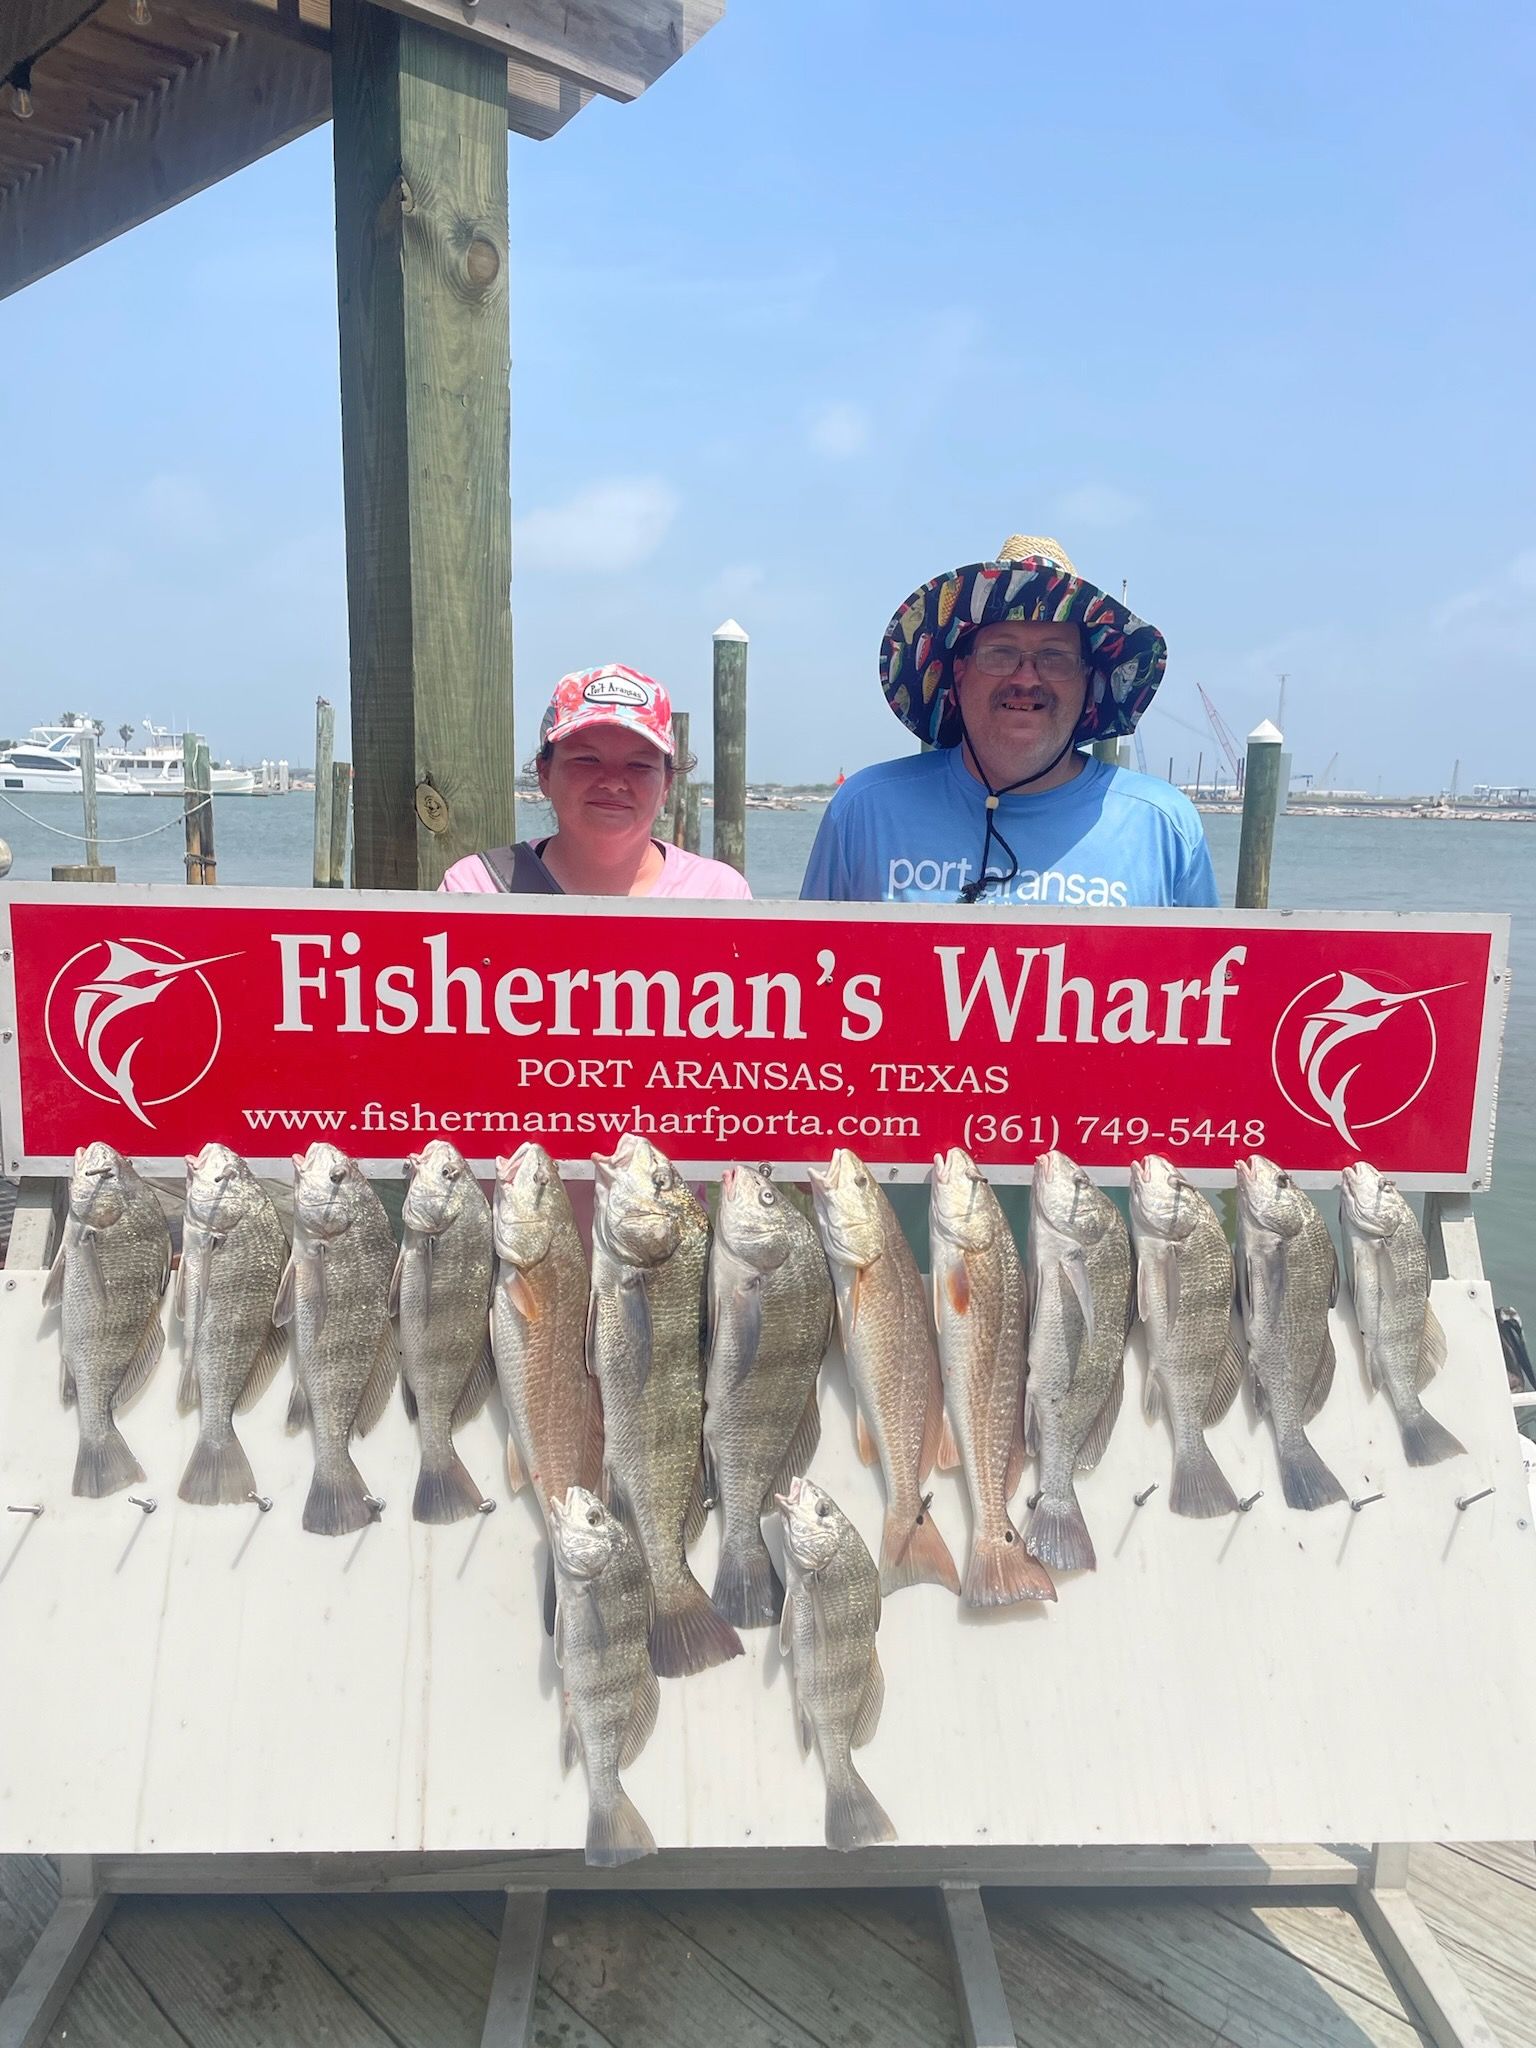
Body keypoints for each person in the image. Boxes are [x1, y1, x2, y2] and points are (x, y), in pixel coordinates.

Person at [801, 535, 1217, 908]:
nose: (1025, 678)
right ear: (959, 675)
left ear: (1088, 683)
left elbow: (1213, 986)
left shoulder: (1163, 827)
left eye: (1055, 656)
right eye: (1000, 652)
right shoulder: (864, 811)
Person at [441, 664, 752, 900]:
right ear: (544, 772)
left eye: (639, 765)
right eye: (586, 759)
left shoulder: (718, 893)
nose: (614, 782)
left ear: (666, 786)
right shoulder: (478, 888)